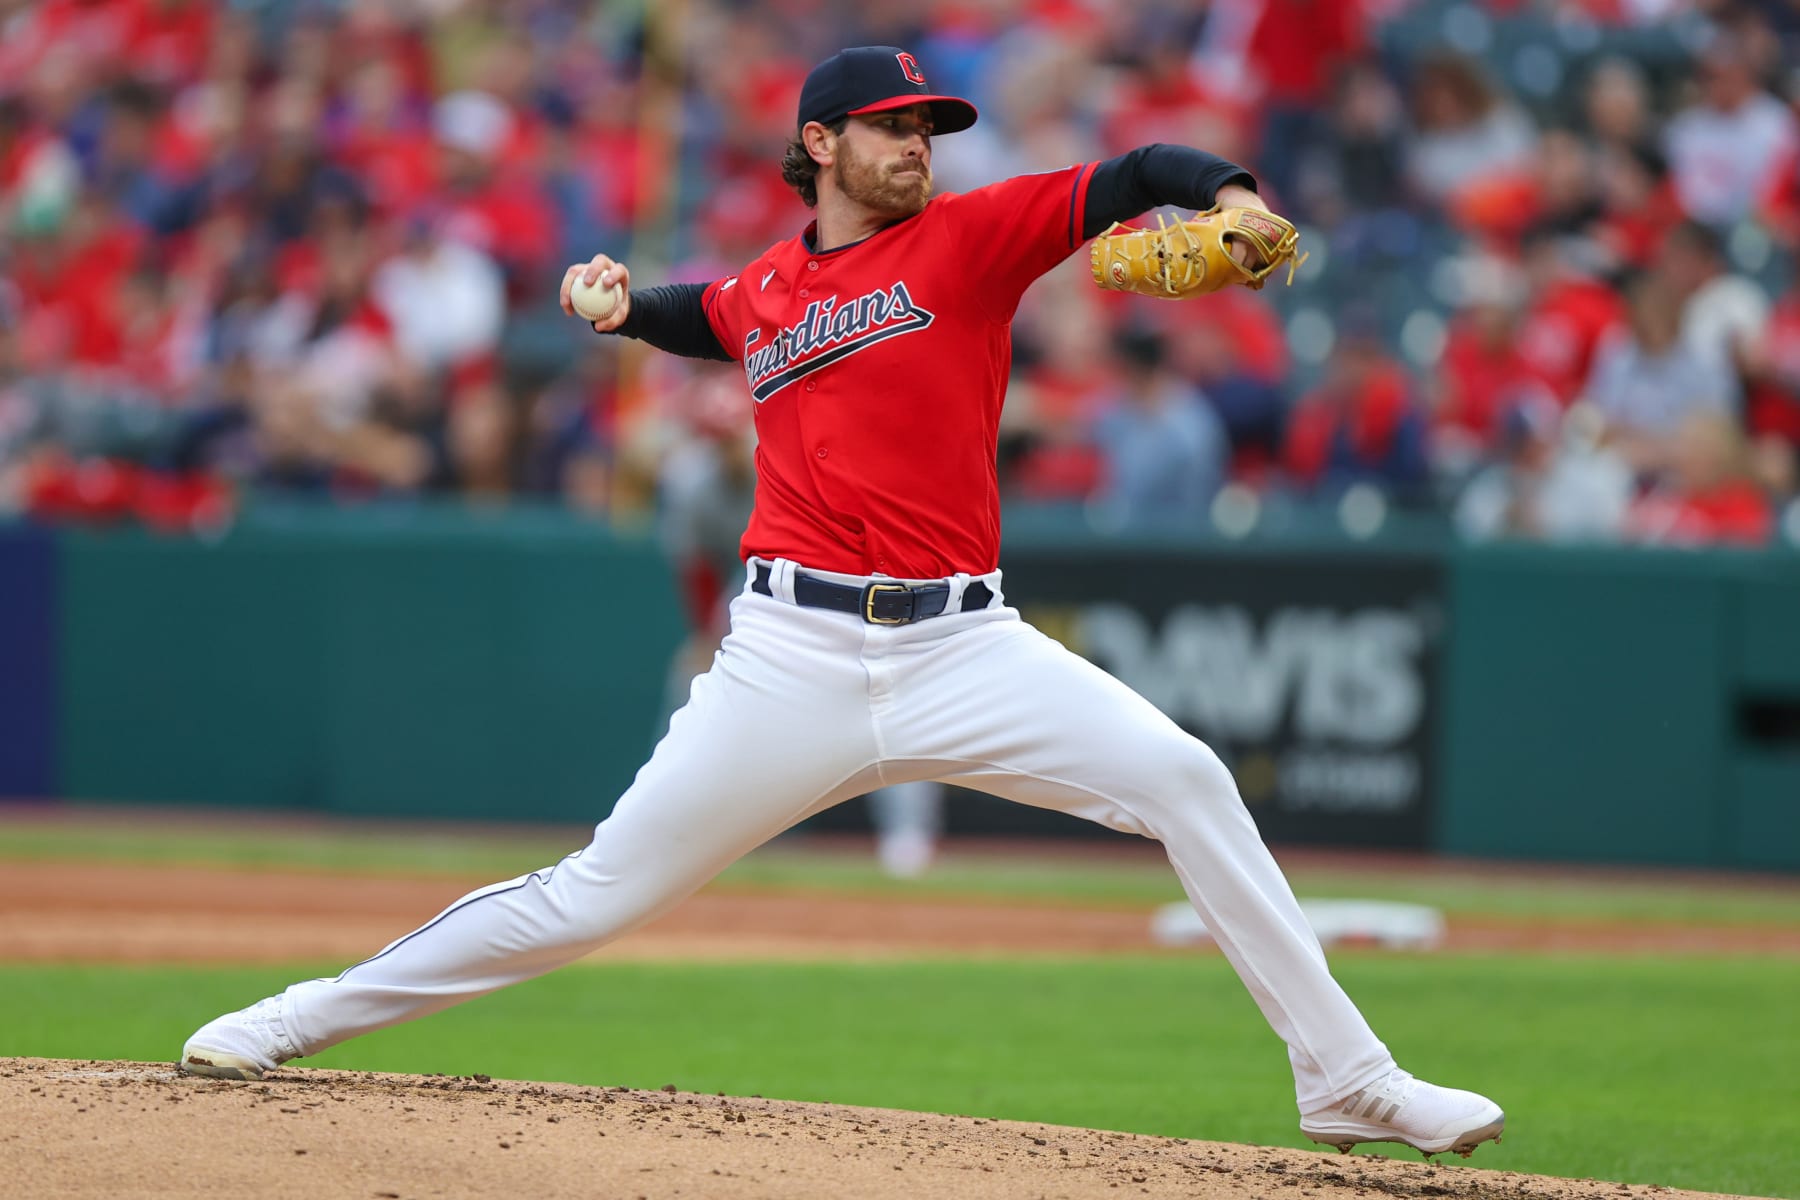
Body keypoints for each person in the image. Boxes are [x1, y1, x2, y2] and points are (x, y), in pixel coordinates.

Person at [178, 46, 1504, 1159]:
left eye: (929, 124)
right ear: (821, 142)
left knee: (1185, 777)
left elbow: (1139, 174)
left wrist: (1230, 193)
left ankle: (1346, 1078)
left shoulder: (973, 240)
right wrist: (620, 303)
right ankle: (301, 1015)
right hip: (789, 657)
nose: (919, 142)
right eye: (891, 126)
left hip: (968, 644)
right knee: (593, 897)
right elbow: (712, 312)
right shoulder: (770, 287)